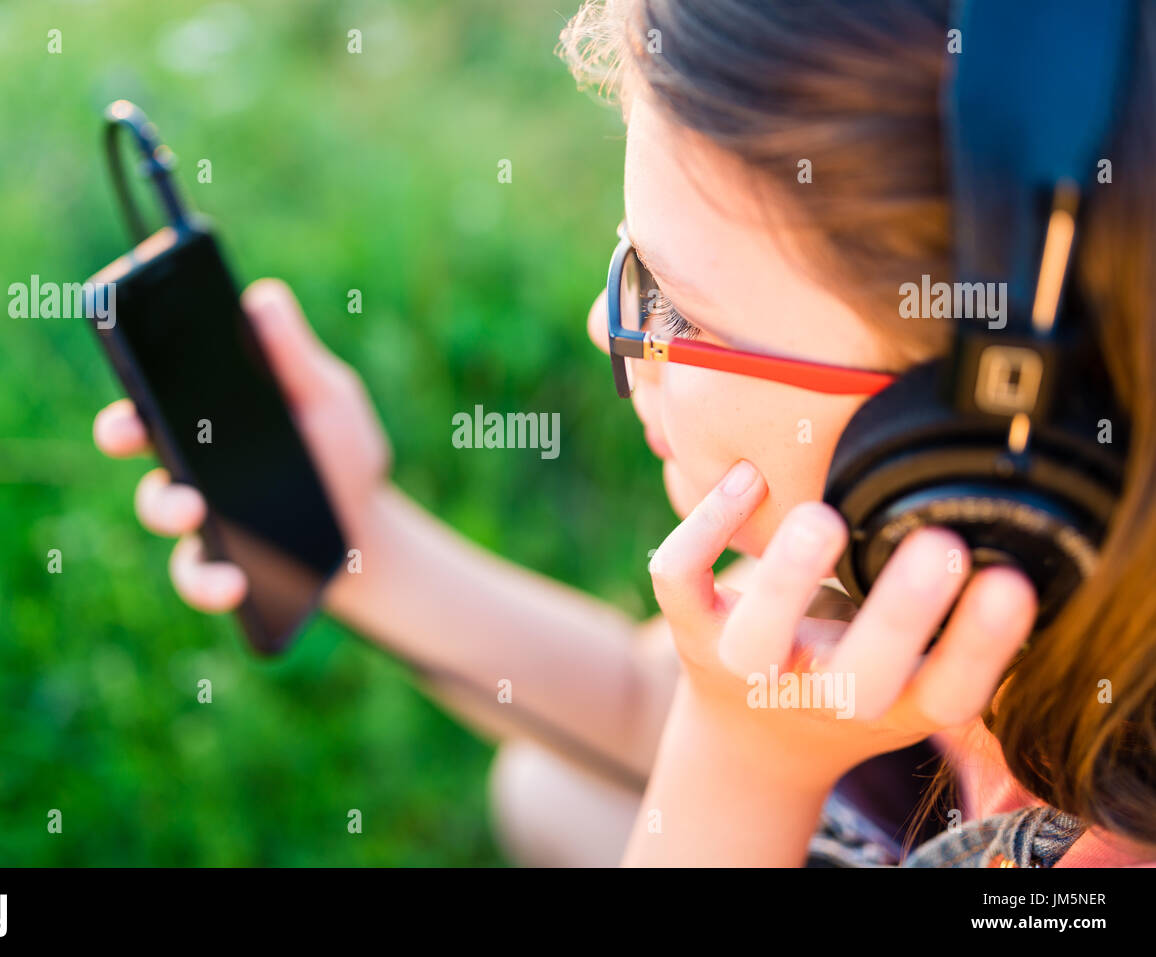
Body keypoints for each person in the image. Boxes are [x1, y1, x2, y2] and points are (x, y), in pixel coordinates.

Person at [92, 0, 1156, 867]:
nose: (607, 325)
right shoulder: (956, 555)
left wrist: (749, 764)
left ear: (978, 437)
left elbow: (705, 736)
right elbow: (651, 697)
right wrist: (357, 535)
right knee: (550, 786)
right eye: (627, 260)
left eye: (678, 310)